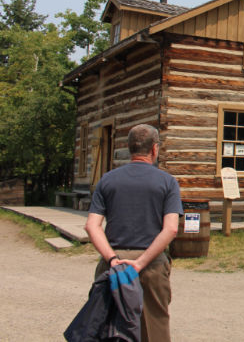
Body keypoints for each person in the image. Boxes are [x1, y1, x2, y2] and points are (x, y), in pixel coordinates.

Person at [85, 123, 183, 342]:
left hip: (114, 264)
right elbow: (171, 228)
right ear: (155, 149)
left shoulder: (107, 180)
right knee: (154, 327)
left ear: (129, 148)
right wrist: (140, 263)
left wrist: (112, 259)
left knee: (107, 327)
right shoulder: (167, 182)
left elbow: (92, 226)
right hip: (151, 264)